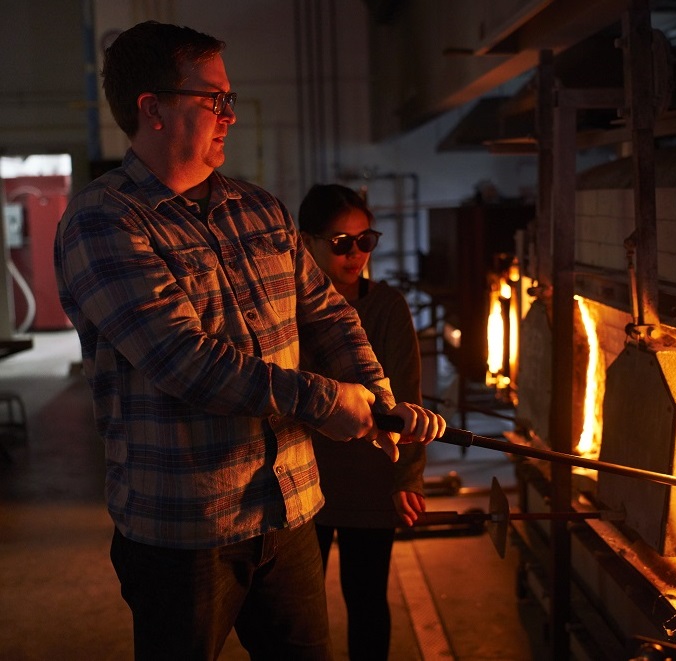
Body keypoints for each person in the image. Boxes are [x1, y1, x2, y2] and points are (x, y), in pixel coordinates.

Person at [53, 21, 445, 661]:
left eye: (228, 99)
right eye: (213, 99)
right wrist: (327, 400)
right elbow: (186, 363)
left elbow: (328, 314)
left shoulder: (258, 209)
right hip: (186, 528)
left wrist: (376, 396)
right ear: (152, 109)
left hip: (290, 509)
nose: (229, 115)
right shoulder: (102, 222)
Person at [298, 184, 426, 661]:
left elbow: (407, 397)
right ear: (305, 242)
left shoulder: (386, 307)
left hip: (370, 478)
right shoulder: (287, 309)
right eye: (340, 242)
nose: (355, 254)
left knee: (367, 597)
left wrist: (407, 477)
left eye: (364, 240)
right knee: (296, 609)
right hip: (304, 477)